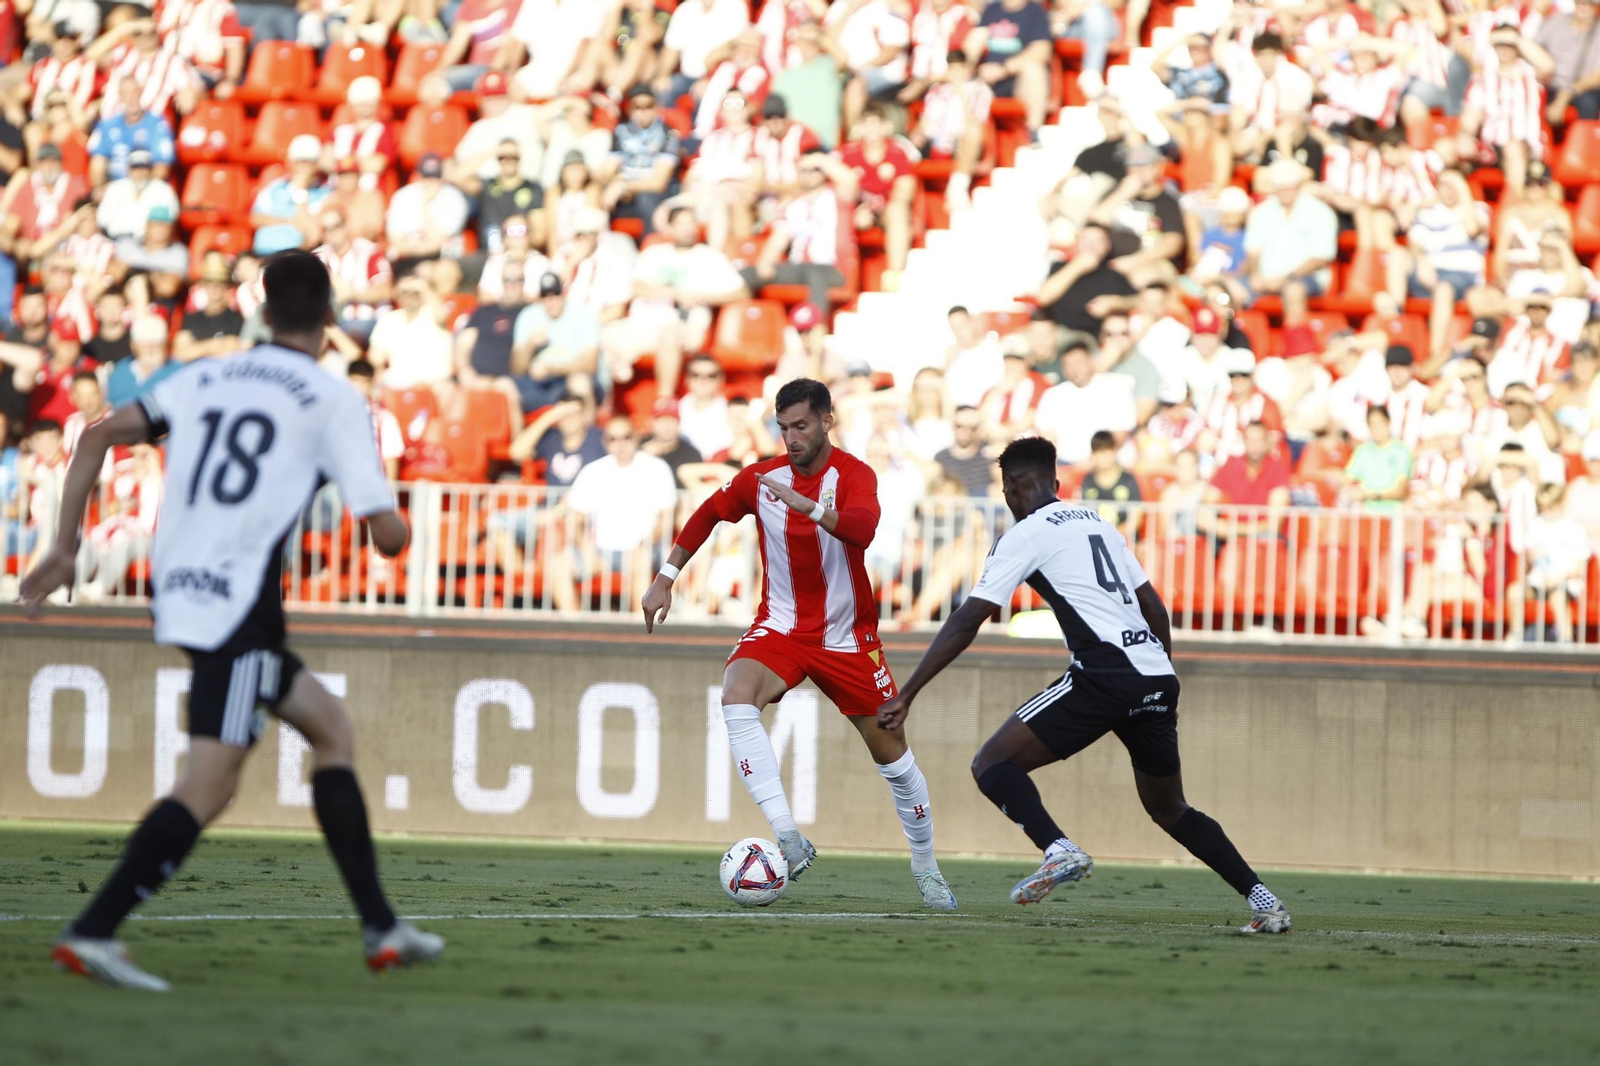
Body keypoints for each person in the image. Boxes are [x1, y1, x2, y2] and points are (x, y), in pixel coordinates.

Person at [20, 251, 442, 990]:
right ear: (330, 317)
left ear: (264, 309)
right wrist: (394, 529)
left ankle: (382, 927)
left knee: (329, 726)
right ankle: (92, 932)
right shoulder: (331, 397)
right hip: (238, 601)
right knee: (211, 784)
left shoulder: (205, 374)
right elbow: (384, 530)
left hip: (179, 583)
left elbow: (90, 436)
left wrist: (64, 547)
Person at [876, 436, 1290, 932]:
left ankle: (1058, 848)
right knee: (1170, 807)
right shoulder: (1097, 521)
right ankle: (1265, 902)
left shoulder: (1025, 534)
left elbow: (969, 619)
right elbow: (1154, 608)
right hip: (1155, 673)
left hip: (1104, 673)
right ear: (1055, 482)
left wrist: (909, 692)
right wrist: (1160, 679)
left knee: (992, 763)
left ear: (1011, 488)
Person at [640, 377, 958, 911]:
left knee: (894, 759)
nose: (790, 437)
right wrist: (666, 575)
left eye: (801, 426)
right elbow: (709, 513)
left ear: (827, 422)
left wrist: (807, 507)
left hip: (848, 639)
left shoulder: (855, 474)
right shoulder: (762, 477)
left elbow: (863, 530)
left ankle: (926, 867)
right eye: (783, 427)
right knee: (736, 692)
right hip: (782, 628)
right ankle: (788, 835)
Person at [1079, 428, 1142, 543]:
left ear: (1115, 451)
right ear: (1093, 454)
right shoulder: (1087, 481)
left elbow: (1136, 519)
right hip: (1096, 542)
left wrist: (1113, 534)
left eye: (1107, 450)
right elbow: (1084, 517)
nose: (1104, 457)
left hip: (1124, 543)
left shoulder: (1128, 480)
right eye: (1099, 451)